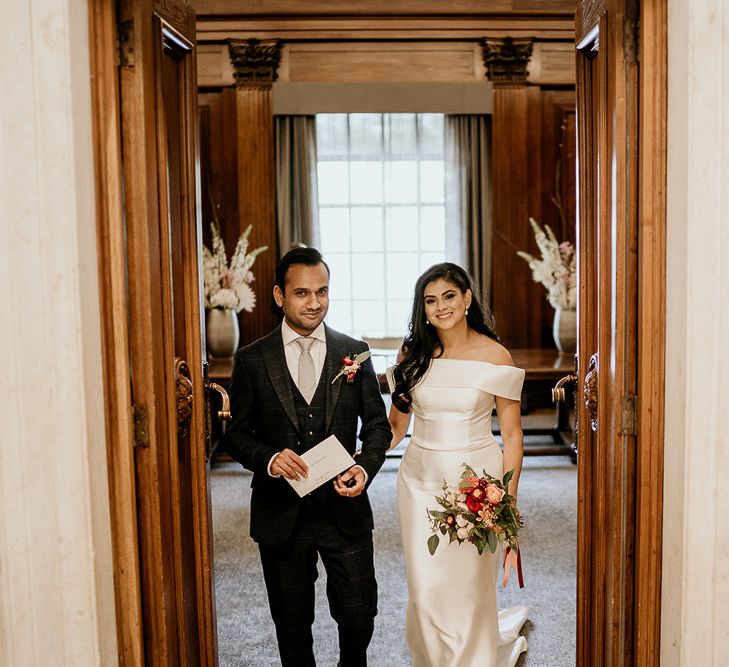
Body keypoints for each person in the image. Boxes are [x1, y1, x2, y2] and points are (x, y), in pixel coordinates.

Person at [223, 247, 391, 667]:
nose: (314, 302)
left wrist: (364, 468)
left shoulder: (355, 353)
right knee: (291, 623)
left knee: (359, 615)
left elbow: (377, 427)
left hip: (344, 510)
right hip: (281, 514)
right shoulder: (251, 360)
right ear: (280, 296)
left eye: (322, 291)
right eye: (302, 293)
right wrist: (269, 458)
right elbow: (236, 435)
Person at [387, 263, 529, 667]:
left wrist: (508, 500)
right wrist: (359, 455)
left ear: (467, 298)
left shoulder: (494, 354)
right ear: (423, 308)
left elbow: (513, 434)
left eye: (449, 296)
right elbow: (396, 426)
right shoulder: (411, 354)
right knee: (426, 584)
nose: (441, 307)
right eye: (430, 301)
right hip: (419, 480)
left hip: (477, 484)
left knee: (468, 584)